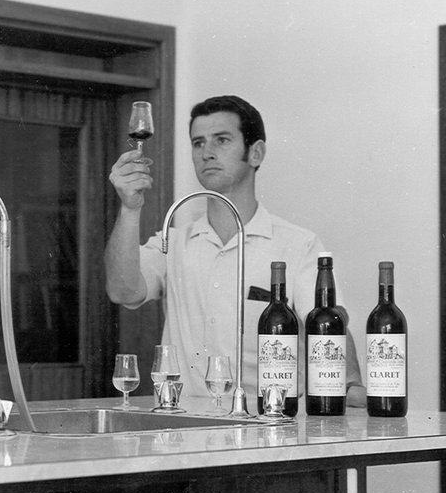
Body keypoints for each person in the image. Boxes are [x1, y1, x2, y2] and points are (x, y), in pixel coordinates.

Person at [105, 94, 365, 407]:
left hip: (271, 426)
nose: (206, 153)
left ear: (255, 153)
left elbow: (328, 326)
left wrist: (351, 387)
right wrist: (130, 208)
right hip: (186, 428)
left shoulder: (298, 246)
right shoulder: (174, 241)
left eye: (222, 140)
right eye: (198, 143)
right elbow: (123, 291)